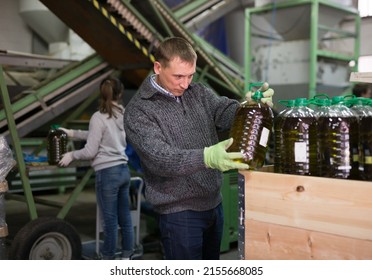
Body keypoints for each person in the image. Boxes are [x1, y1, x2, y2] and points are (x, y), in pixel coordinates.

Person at [124, 37, 274, 260]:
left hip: (214, 204)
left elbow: (223, 112)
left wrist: (248, 108)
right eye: (178, 76)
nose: (185, 84)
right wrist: (207, 157)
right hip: (179, 214)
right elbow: (161, 158)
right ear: (158, 67)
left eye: (190, 75)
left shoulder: (199, 92)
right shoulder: (139, 110)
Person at [58, 77, 134, 260]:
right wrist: (72, 134)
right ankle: (126, 257)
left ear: (101, 93)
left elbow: (90, 150)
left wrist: (71, 155)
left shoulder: (98, 117)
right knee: (125, 218)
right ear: (121, 93)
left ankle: (107, 259)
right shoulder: (123, 114)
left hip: (108, 174)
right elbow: (98, 134)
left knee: (110, 222)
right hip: (124, 171)